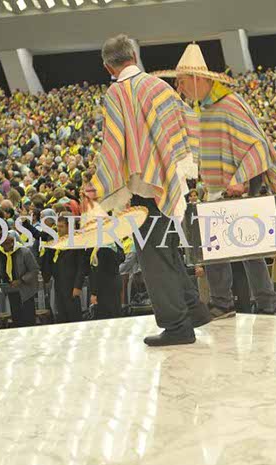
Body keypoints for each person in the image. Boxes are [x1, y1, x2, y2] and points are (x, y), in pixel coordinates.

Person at [86, 34, 210, 346]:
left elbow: (113, 145)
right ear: (134, 56)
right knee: (166, 251)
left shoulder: (117, 92)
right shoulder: (160, 86)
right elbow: (189, 123)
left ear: (108, 67)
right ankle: (194, 310)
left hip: (144, 185)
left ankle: (177, 326)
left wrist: (99, 187)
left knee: (153, 257)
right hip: (170, 180)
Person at [170, 43, 276, 319]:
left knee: (249, 247)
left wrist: (239, 177)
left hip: (238, 184)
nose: (179, 87)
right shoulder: (203, 107)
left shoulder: (229, 103)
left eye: (182, 81)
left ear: (197, 79)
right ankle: (222, 302)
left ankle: (268, 303)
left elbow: (257, 145)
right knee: (213, 246)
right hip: (216, 186)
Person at [41, 217, 88, 323]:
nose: (58, 229)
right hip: (58, 282)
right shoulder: (56, 241)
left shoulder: (76, 241)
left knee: (73, 313)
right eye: (57, 226)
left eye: (61, 226)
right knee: (61, 312)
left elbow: (81, 266)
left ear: (69, 227)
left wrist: (77, 286)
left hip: (71, 283)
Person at [0, 232, 39, 327]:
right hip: (11, 290)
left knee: (28, 320)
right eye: (3, 244)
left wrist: (21, 280)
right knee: (16, 319)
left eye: (8, 243)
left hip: (26, 291)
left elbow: (34, 270)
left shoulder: (24, 252)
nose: (7, 246)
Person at [88, 243, 124, 320]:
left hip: (104, 287)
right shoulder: (114, 245)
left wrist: (94, 293)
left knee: (106, 316)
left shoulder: (104, 248)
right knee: (115, 314)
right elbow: (122, 257)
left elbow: (99, 272)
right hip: (114, 283)